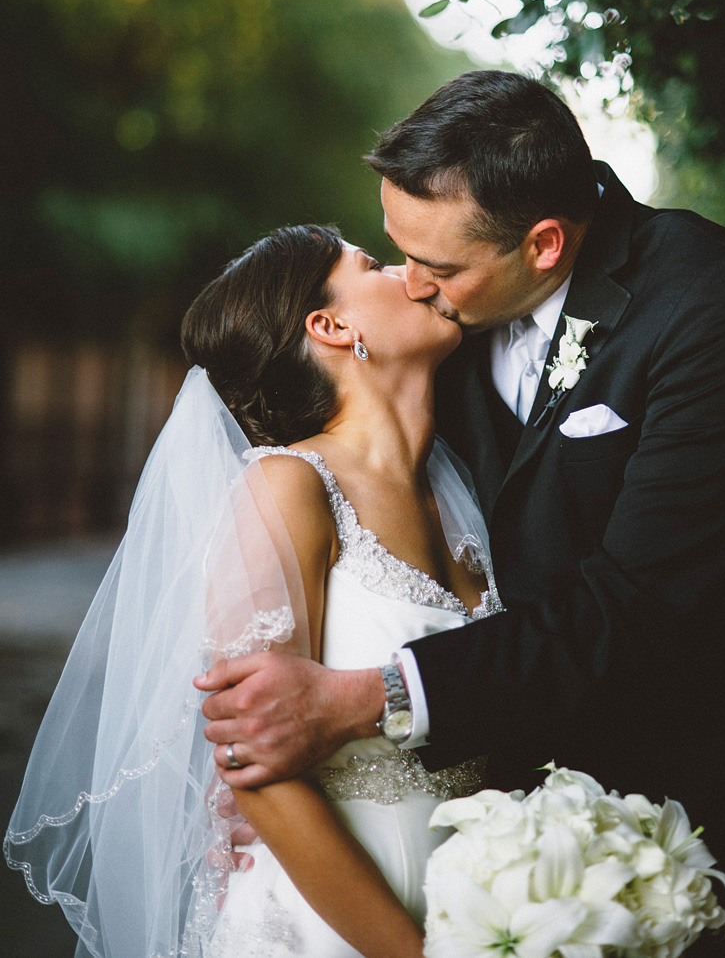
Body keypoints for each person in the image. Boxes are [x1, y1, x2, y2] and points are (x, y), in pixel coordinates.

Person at [192, 72, 725, 953]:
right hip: (418, 893)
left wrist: (370, 699)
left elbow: (642, 604)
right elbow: (253, 739)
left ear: (544, 244)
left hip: (655, 828)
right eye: (392, 254)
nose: (414, 284)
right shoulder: (410, 382)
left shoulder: (713, 301)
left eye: (435, 267)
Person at [7, 224, 497, 958]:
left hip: (486, 896)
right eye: (372, 265)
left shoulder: (464, 496)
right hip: (329, 925)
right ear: (331, 326)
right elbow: (254, 767)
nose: (408, 272)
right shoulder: (285, 487)